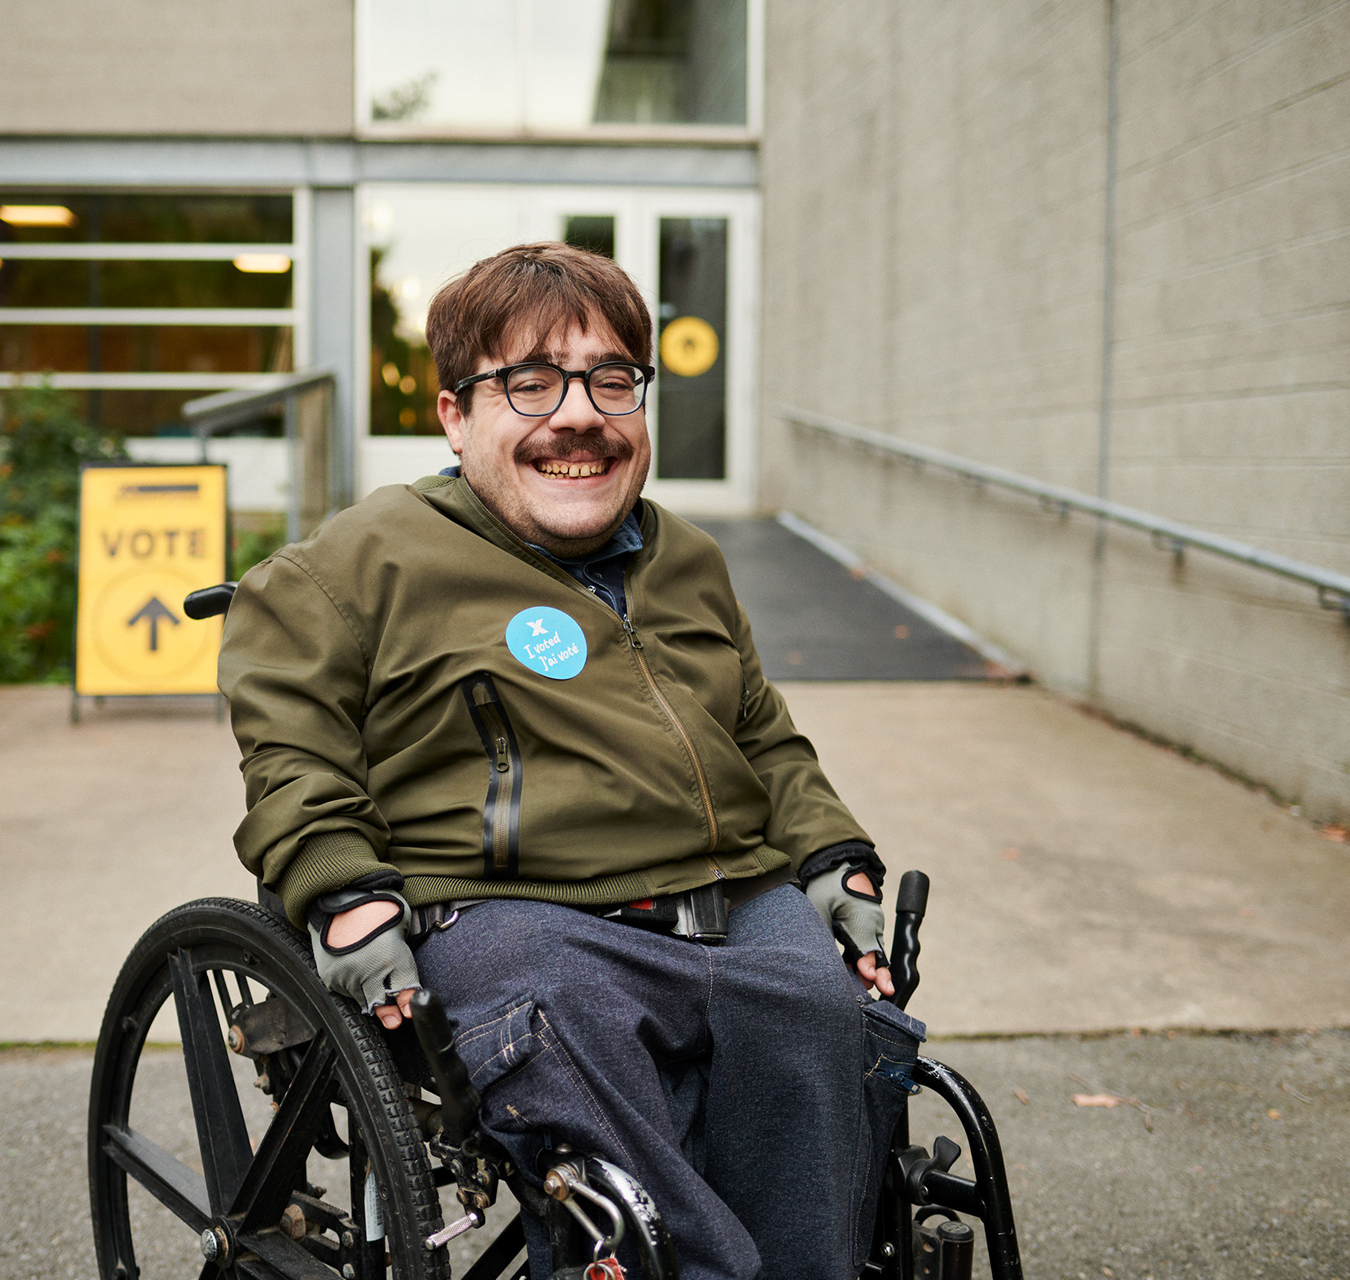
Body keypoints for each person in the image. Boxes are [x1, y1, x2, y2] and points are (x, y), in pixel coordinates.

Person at [219, 242, 920, 1280]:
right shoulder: (361, 564)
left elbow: (763, 734)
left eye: (611, 380)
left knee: (818, 1015)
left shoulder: (687, 558)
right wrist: (338, 888)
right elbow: (292, 747)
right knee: (559, 1016)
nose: (578, 415)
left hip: (730, 896)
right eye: (530, 382)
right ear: (455, 412)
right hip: (513, 911)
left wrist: (834, 859)